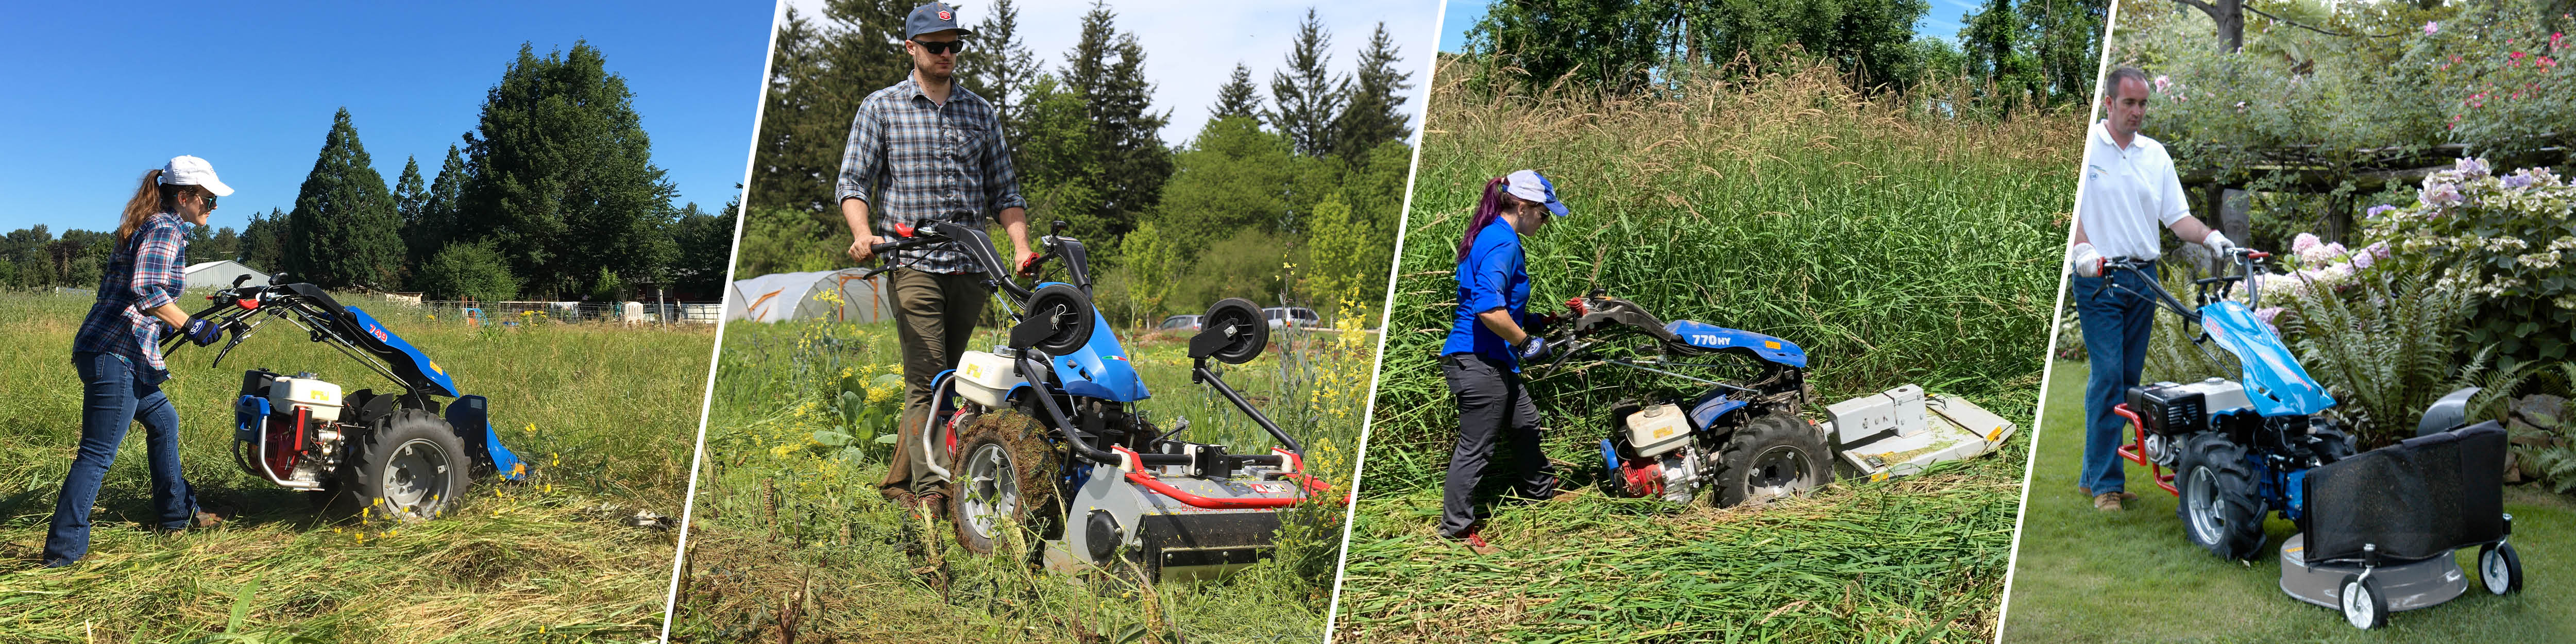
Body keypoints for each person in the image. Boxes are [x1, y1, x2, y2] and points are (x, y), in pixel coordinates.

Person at [840, 2, 1037, 514]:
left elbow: (1005, 191)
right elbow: (853, 183)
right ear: (911, 48)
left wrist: (1019, 247)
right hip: (911, 262)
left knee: (953, 373)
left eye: (953, 46)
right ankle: (933, 492)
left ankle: (897, 483)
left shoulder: (980, 112)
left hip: (972, 265)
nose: (946, 54)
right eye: (935, 47)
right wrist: (863, 234)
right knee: (928, 374)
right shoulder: (881, 108)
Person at [46, 156, 232, 567]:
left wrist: (173, 325)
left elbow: (132, 298)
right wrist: (190, 326)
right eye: (208, 200)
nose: (212, 208)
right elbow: (145, 290)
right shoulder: (165, 229)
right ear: (184, 197)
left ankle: (176, 515)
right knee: (97, 454)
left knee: (164, 421)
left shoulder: (153, 224)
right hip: (116, 353)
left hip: (120, 348)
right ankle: (62, 556)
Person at [2066, 66, 2234, 512]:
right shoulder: (2087, 150)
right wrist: (2081, 248)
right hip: (2098, 276)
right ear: (2109, 103)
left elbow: (2177, 217)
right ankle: (2107, 487)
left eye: (2143, 104)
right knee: (2108, 377)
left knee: (2126, 381)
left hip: (2143, 279)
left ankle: (2090, 475)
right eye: (2129, 103)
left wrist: (2210, 236)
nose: (2138, 111)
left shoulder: (2155, 155)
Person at [1437, 170, 1578, 554]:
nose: (1545, 221)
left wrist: (1534, 321)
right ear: (1523, 206)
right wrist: (1527, 342)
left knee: (1526, 423)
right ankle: (1457, 530)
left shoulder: (1493, 236)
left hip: (1490, 358)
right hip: (1477, 360)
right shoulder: (1502, 243)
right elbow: (1487, 310)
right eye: (1544, 213)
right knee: (1477, 446)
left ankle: (1540, 493)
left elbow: (1492, 302)